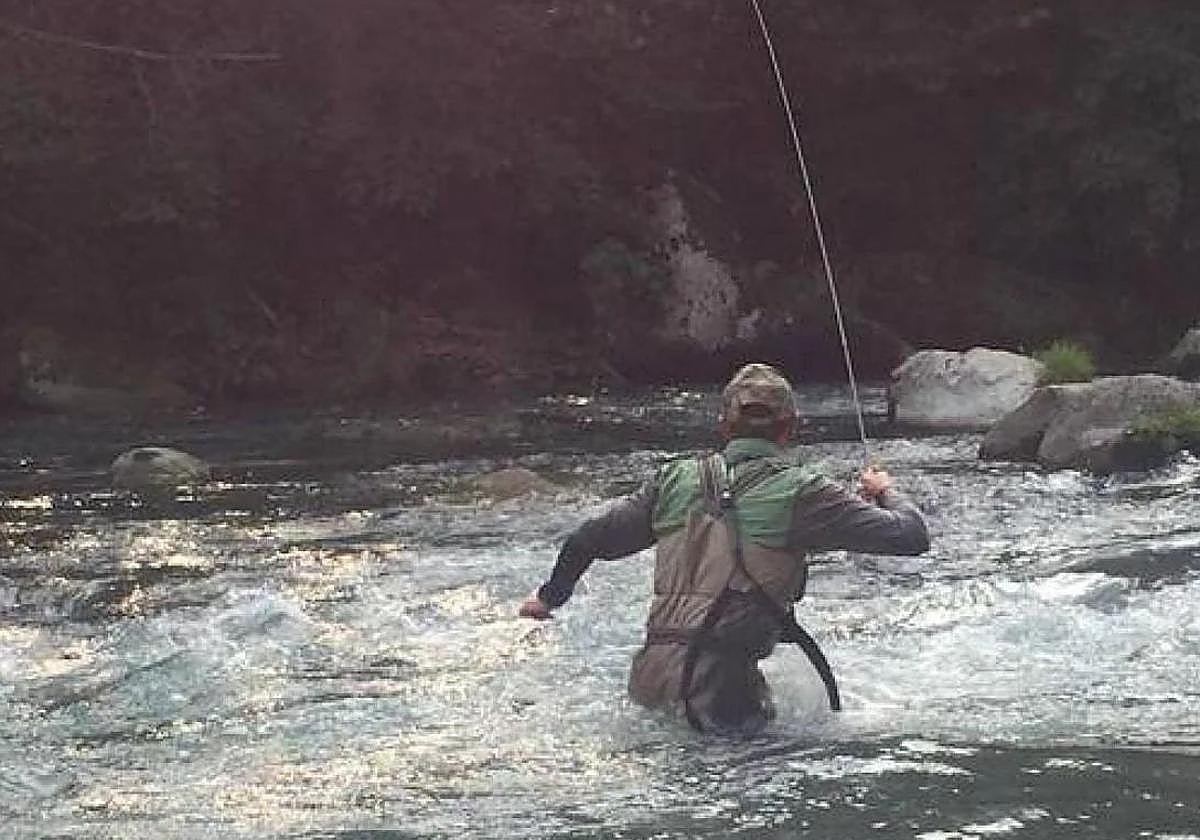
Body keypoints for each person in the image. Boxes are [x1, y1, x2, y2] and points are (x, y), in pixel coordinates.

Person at [518, 363, 929, 733]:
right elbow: (911, 536)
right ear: (790, 428)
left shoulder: (674, 480)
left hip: (649, 679)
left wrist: (548, 598)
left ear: (723, 428)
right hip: (720, 689)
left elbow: (586, 540)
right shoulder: (804, 491)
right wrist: (884, 491)